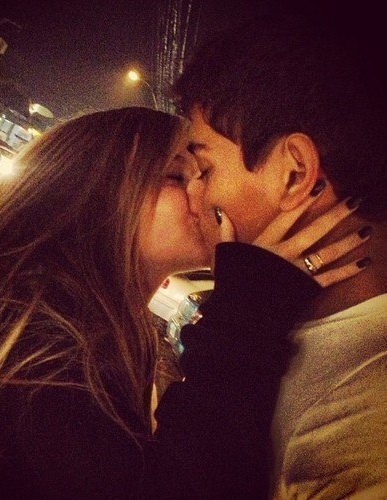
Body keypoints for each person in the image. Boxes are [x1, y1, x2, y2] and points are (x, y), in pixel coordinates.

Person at [0, 107, 367, 499]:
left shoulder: (104, 327)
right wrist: (247, 313)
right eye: (178, 176)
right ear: (94, 195)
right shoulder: (22, 332)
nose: (203, 193)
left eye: (204, 172)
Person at [174, 11, 386, 499]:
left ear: (294, 174)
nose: (193, 194)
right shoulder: (280, 329)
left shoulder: (364, 428)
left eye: (204, 169)